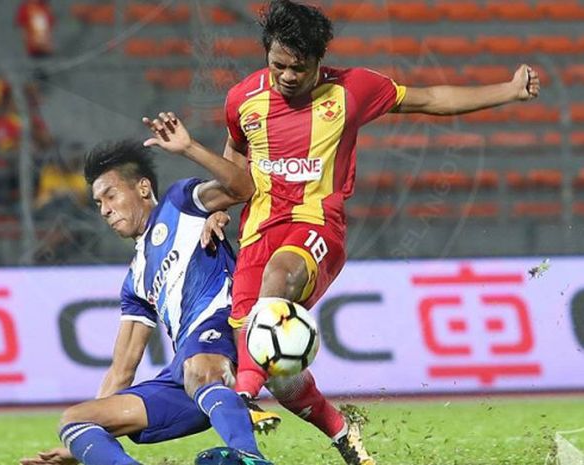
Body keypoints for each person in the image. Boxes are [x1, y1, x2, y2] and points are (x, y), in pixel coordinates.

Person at [155, 1, 542, 464]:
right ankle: (342, 432)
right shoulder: (242, 99)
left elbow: (430, 99)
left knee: (275, 288)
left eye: (298, 68)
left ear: (320, 61)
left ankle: (243, 398)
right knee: (277, 366)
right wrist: (219, 209)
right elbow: (236, 158)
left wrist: (510, 90)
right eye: (277, 65)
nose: (287, 76)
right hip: (257, 230)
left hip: (318, 227)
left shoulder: (352, 90)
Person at [19, 138, 273, 465]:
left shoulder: (182, 203)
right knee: (75, 419)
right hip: (186, 375)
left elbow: (243, 187)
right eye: (98, 203)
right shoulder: (136, 279)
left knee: (198, 368)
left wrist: (190, 151)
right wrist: (84, 445)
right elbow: (122, 367)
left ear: (142, 188)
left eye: (110, 195)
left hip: (223, 336)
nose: (105, 209)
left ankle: (250, 458)